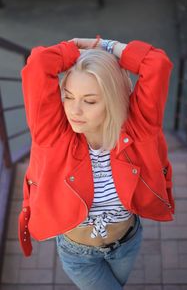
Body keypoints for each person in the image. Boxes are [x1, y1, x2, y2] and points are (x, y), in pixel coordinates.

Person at [18, 36, 175, 290]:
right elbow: (38, 64)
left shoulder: (138, 130)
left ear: (113, 101)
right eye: (68, 96)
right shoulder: (52, 135)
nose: (74, 110)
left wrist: (108, 47)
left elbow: (157, 64)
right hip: (77, 255)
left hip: (127, 244)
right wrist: (73, 48)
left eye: (89, 101)